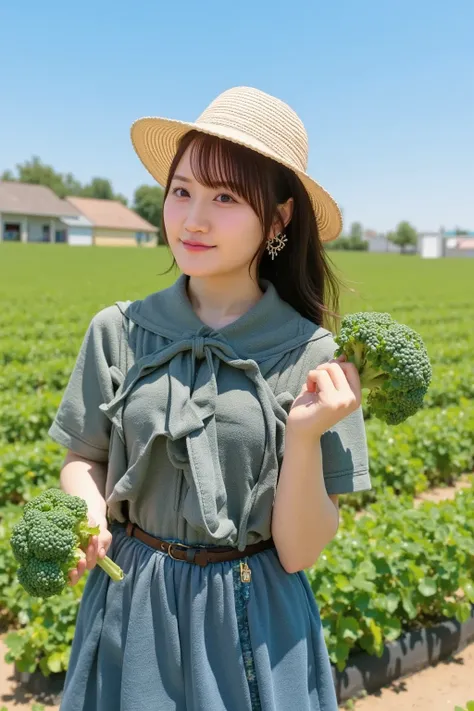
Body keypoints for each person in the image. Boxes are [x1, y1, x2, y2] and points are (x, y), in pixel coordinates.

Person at [48, 86, 371, 711]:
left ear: (277, 220)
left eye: (225, 198)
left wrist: (304, 437)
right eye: (183, 191)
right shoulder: (118, 330)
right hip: (132, 608)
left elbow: (301, 550)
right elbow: (82, 457)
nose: (193, 219)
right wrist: (88, 509)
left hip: (250, 623)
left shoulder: (315, 357)